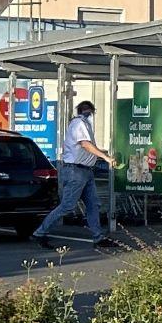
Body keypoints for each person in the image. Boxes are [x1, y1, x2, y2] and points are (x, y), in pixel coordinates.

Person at [33, 100, 119, 250]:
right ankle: (40, 232)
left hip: (85, 171)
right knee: (67, 206)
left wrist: (101, 154)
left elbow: (88, 147)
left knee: (93, 204)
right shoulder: (79, 124)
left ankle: (98, 237)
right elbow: (85, 144)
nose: (89, 114)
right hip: (76, 171)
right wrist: (105, 157)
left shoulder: (84, 124)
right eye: (89, 112)